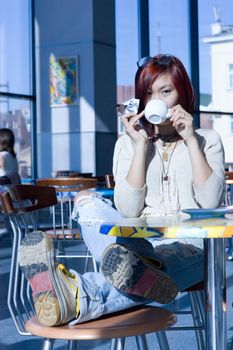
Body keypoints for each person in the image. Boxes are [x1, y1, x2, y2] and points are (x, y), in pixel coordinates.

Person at [18, 54, 225, 327]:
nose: (157, 101)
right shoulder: (128, 144)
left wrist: (190, 140)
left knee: (142, 264)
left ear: (182, 93)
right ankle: (140, 268)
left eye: (166, 91)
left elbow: (210, 202)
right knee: (86, 202)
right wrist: (140, 145)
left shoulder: (206, 140)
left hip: (191, 247)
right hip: (137, 238)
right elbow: (128, 210)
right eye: (149, 94)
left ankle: (75, 295)